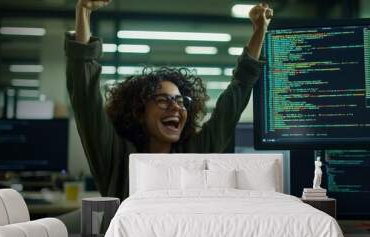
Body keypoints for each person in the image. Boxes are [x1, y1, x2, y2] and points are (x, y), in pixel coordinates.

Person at [65, 0, 273, 200]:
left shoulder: (194, 153)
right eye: (163, 100)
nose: (175, 106)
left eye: (181, 101)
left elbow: (236, 95)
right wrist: (83, 11)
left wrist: (259, 30)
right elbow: (85, 98)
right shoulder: (116, 158)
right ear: (139, 111)